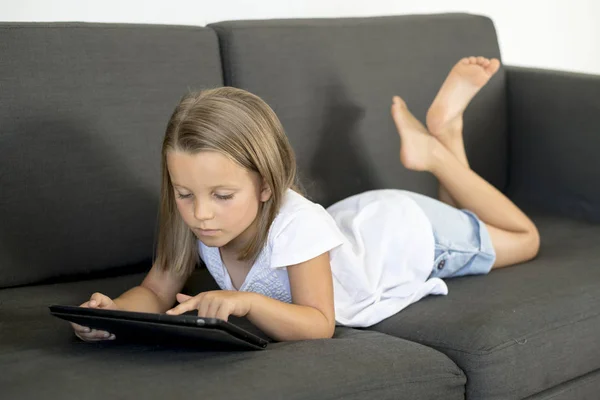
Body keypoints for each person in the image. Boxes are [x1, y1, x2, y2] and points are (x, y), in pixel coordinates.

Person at [71, 56, 540, 342]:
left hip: (409, 234)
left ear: (267, 186)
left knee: (526, 239)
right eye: (184, 193)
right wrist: (114, 316)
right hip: (355, 226)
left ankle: (437, 152)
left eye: (222, 195)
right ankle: (445, 128)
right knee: (467, 217)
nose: (201, 213)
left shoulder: (294, 223)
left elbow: (319, 322)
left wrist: (246, 303)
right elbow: (156, 291)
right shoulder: (192, 217)